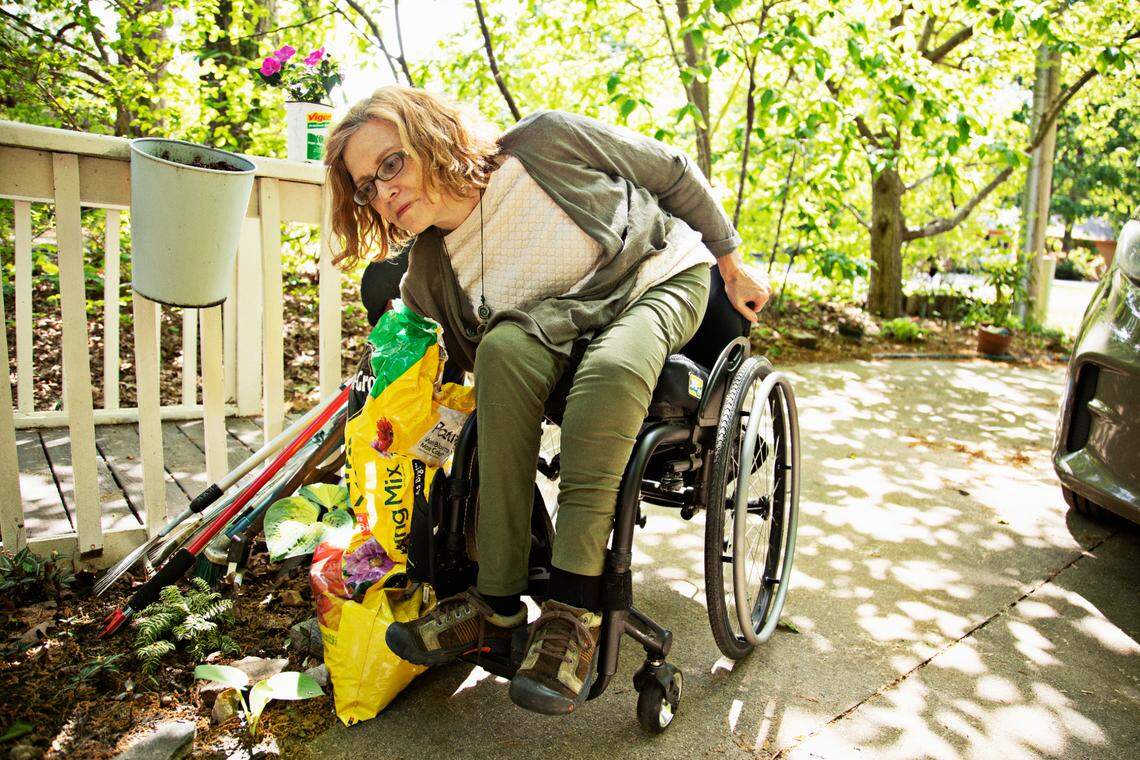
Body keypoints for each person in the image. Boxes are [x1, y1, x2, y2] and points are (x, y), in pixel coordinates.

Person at [323, 86, 770, 716]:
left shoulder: (543, 144)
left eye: (390, 164)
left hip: (653, 276)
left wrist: (731, 261)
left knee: (611, 374)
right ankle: (494, 606)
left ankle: (573, 613)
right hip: (561, 323)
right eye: (367, 185)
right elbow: (443, 380)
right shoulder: (429, 271)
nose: (383, 192)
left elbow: (672, 172)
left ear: (430, 136)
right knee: (502, 351)